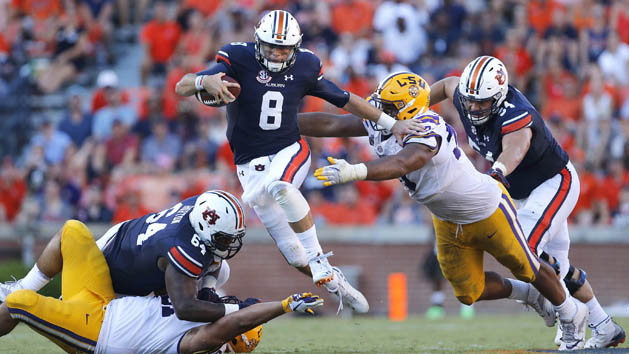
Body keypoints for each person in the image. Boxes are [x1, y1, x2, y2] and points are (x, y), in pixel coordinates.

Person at [300, 72, 588, 350]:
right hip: (447, 218)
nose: (378, 110)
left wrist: (356, 170)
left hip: (485, 208)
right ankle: (530, 296)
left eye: (388, 106)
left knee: (528, 265)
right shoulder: (384, 121)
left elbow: (405, 161)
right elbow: (331, 124)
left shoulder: (428, 125)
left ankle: (571, 314)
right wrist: (283, 124)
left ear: (408, 109)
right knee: (468, 292)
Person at [175, 10, 422, 313]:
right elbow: (181, 86)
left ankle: (319, 259)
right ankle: (336, 282)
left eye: (283, 48)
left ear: (295, 46)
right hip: (249, 166)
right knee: (293, 254)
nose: (277, 54)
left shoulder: (306, 64)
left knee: (282, 186)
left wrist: (391, 124)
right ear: (257, 41)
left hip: (288, 149)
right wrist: (205, 82)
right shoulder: (237, 57)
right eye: (270, 47)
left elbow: (344, 99)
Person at [429, 55, 625, 349]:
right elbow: (446, 86)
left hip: (553, 183)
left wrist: (497, 172)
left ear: (498, 95)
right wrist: (415, 103)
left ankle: (569, 317)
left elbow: (515, 148)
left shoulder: (515, 112)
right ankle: (604, 325)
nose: (472, 107)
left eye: (481, 102)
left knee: (526, 252)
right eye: (470, 101)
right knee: (556, 267)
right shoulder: (468, 95)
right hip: (526, 192)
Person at [0, 217, 324, 354]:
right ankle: (16, 286)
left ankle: (13, 297)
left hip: (95, 334)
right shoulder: (208, 310)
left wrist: (281, 306)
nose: (236, 302)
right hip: (103, 300)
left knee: (22, 304)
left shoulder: (203, 341)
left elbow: (236, 320)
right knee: (72, 232)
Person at [0, 190, 251, 324]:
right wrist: (235, 309)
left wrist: (207, 289)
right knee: (74, 310)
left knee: (221, 268)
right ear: (206, 226)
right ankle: (23, 289)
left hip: (134, 240)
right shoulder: (179, 246)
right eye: (225, 238)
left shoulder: (201, 206)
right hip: (113, 266)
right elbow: (185, 308)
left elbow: (213, 256)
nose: (231, 244)